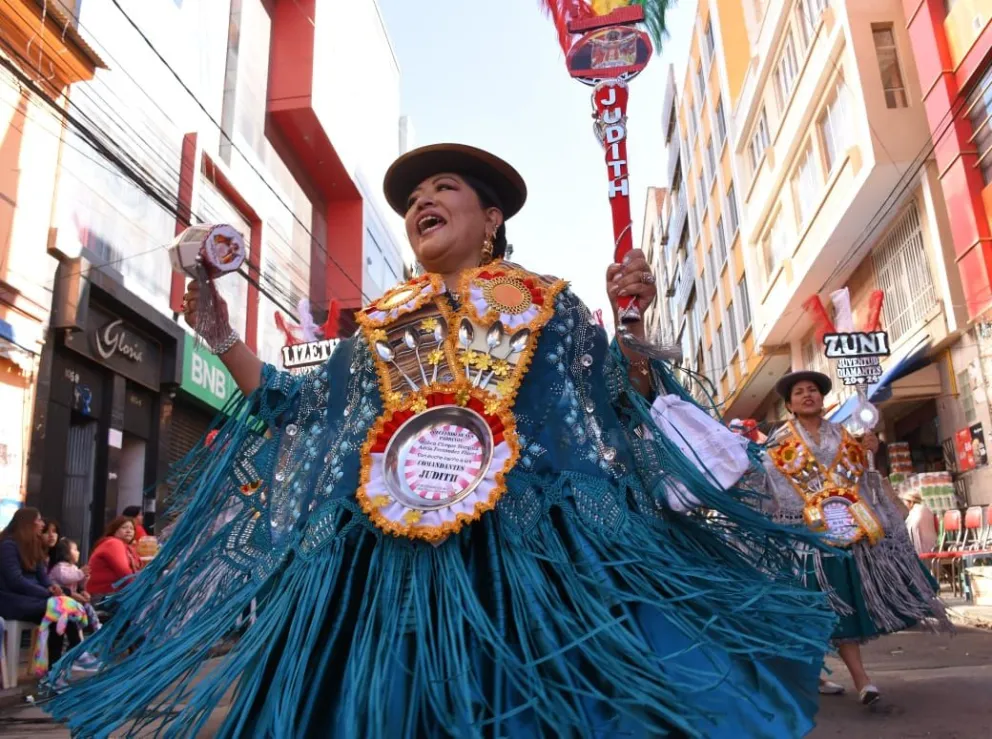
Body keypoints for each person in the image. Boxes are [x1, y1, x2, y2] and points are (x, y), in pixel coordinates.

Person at [46, 144, 836, 737]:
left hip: (530, 561)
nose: (421, 201)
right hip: (390, 563)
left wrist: (628, 324)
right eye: (414, 197)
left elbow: (614, 408)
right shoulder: (380, 322)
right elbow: (303, 408)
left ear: (492, 219)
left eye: (443, 189)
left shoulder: (549, 306)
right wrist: (218, 331)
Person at [759, 371, 950, 706]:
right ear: (789, 405)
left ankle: (862, 680)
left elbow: (865, 481)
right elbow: (768, 486)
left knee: (839, 609)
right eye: (800, 392)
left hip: (845, 534)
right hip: (805, 543)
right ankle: (816, 674)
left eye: (814, 391)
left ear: (821, 399)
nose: (808, 396)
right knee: (812, 612)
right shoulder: (778, 444)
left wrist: (871, 451)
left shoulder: (844, 435)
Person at [0, 508, 92, 670]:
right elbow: (16, 581)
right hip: (12, 600)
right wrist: (46, 593)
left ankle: (58, 667)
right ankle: (70, 658)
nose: (42, 524)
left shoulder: (34, 547)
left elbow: (43, 578)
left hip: (34, 599)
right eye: (39, 520)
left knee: (61, 610)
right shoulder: (8, 546)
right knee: (59, 608)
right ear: (27, 523)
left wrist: (52, 587)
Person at [86, 516, 141, 598]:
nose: (129, 531)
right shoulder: (113, 543)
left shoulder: (128, 548)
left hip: (114, 593)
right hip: (106, 595)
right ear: (114, 530)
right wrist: (139, 588)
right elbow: (124, 571)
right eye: (124, 527)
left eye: (132, 528)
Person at [900, 490, 938, 556]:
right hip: (932, 546)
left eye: (904, 502)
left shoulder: (917, 512)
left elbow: (910, 529)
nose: (903, 504)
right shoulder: (922, 510)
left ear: (911, 502)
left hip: (923, 549)